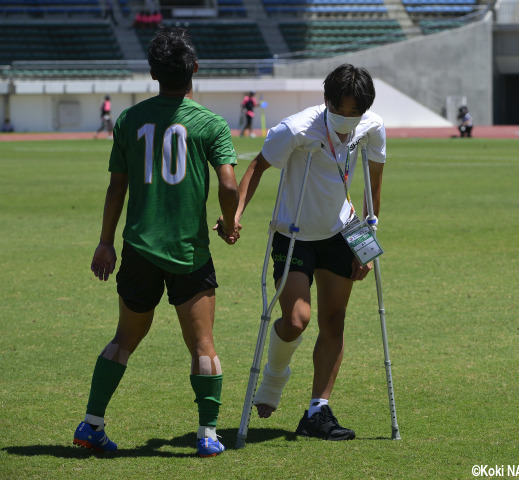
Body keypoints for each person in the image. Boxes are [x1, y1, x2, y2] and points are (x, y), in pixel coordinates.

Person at [73, 26, 240, 458]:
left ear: (152, 73)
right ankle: (206, 435)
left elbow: (116, 189)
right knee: (203, 345)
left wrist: (105, 242)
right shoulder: (210, 123)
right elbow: (228, 183)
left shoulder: (129, 119)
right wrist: (230, 220)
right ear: (195, 70)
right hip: (189, 252)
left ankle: (91, 424)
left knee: (123, 339)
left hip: (138, 250)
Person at [231, 63, 385, 441]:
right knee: (297, 319)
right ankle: (273, 380)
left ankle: (318, 410)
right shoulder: (296, 128)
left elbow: (374, 183)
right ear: (326, 100)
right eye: (342, 110)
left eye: (356, 112)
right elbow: (258, 166)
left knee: (335, 321)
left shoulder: (373, 126)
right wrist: (235, 214)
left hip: (341, 231)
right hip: (294, 233)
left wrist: (368, 238)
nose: (349, 119)